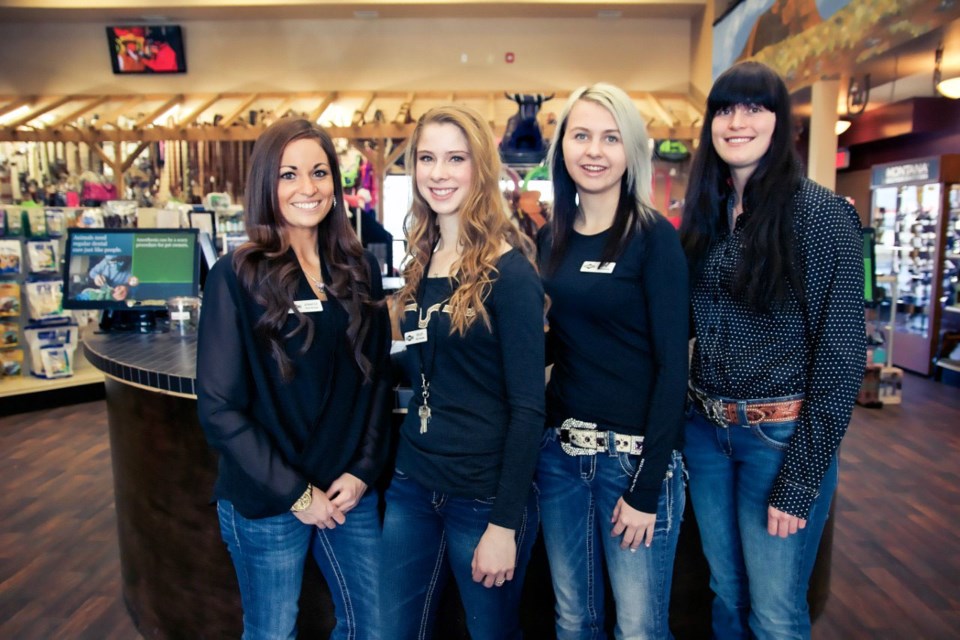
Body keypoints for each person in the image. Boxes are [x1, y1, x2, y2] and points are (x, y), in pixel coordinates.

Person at [679, 61, 866, 639]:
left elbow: (841, 356)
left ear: (781, 121)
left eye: (755, 107)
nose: (738, 122)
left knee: (777, 613)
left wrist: (802, 476)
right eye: (725, 109)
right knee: (726, 595)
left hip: (779, 440)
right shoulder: (706, 214)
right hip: (707, 434)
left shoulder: (822, 214)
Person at [196, 118, 393, 640]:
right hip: (268, 495)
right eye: (289, 174)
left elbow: (372, 386)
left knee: (373, 626)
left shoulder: (357, 269)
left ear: (336, 183)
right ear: (266, 184)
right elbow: (218, 408)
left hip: (347, 489)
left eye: (319, 172)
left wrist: (363, 470)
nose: (308, 187)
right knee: (272, 631)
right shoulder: (235, 275)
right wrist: (297, 495)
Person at [380, 105, 545, 640]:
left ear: (480, 168)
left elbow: (528, 409)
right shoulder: (423, 256)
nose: (439, 172)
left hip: (482, 496)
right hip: (412, 483)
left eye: (456, 158)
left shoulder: (510, 272)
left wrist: (503, 524)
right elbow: (427, 359)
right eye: (427, 158)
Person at [536, 83, 689, 639]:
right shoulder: (548, 238)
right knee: (574, 620)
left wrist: (647, 488)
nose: (594, 150)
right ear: (563, 148)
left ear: (631, 152)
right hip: (560, 460)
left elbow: (675, 369)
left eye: (610, 137)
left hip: (633, 463)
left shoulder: (654, 240)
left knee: (639, 630)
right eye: (581, 135)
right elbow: (558, 341)